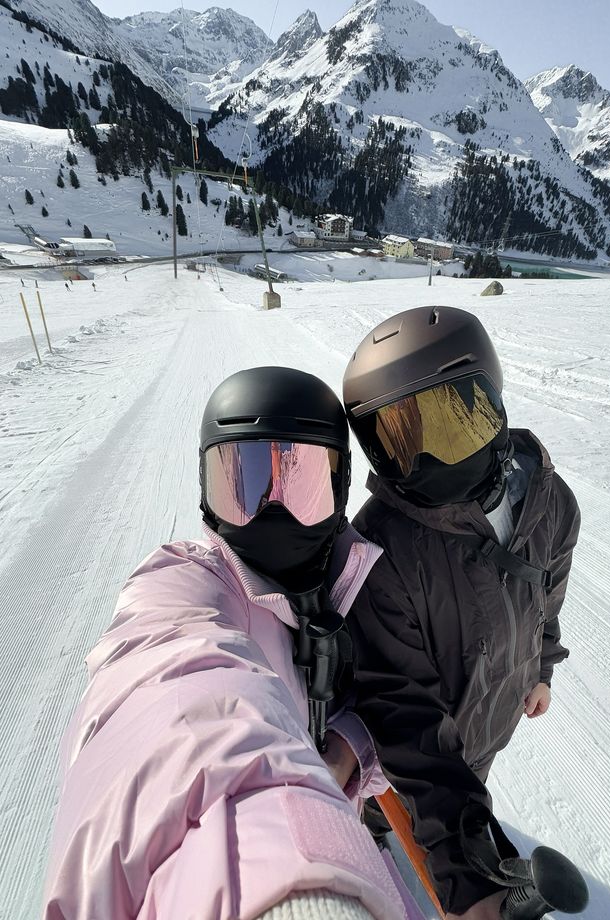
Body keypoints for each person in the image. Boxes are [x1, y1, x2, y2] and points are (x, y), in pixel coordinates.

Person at [42, 367, 419, 920]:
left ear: (340, 491)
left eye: (300, 482)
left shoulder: (357, 581)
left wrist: (350, 748)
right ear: (205, 491)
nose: (273, 510)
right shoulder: (186, 584)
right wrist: (275, 881)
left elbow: (395, 698)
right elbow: (176, 689)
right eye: (244, 484)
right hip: (304, 849)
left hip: (340, 819)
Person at [342, 307, 587, 920]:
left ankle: (436, 812)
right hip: (426, 731)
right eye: (399, 441)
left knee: (471, 768)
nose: (424, 462)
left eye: (449, 426)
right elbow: (401, 711)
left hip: (493, 710)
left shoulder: (551, 502)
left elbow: (547, 596)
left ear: (491, 401)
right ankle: (377, 818)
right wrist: (465, 869)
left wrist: (542, 668)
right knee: (408, 783)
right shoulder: (381, 549)